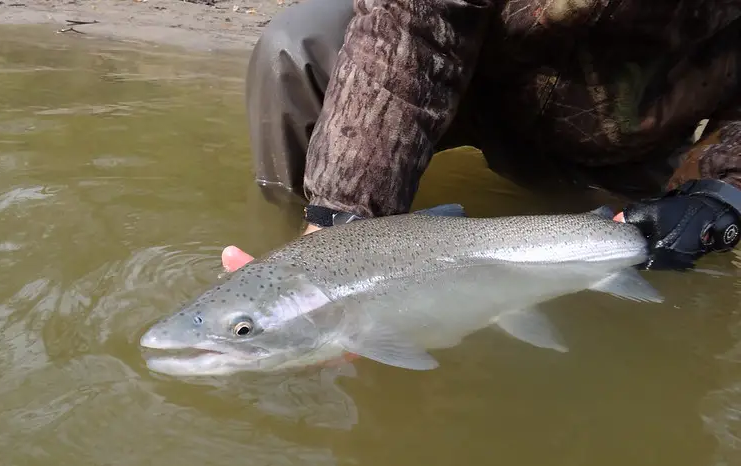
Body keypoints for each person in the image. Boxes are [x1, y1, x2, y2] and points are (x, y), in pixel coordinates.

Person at [223, 0, 741, 273]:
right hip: (464, 74)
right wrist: (340, 217)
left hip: (621, 136)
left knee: (642, 266)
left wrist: (720, 191)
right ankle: (291, 240)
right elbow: (411, 24)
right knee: (297, 48)